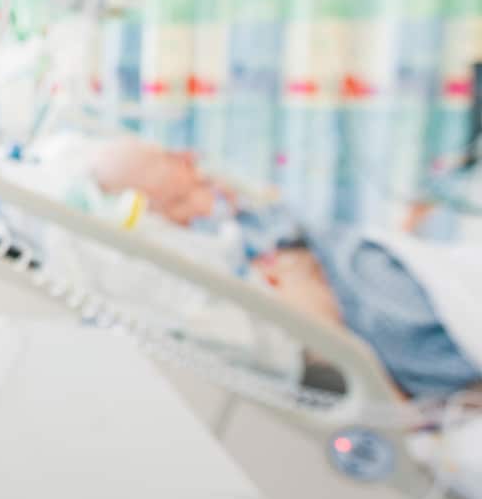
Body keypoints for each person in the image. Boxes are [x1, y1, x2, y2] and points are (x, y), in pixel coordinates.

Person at [81, 135, 482, 399]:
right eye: (170, 157)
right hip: (366, 297)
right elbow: (316, 320)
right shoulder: (180, 264)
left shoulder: (230, 226)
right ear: (141, 198)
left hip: (360, 268)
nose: (192, 158)